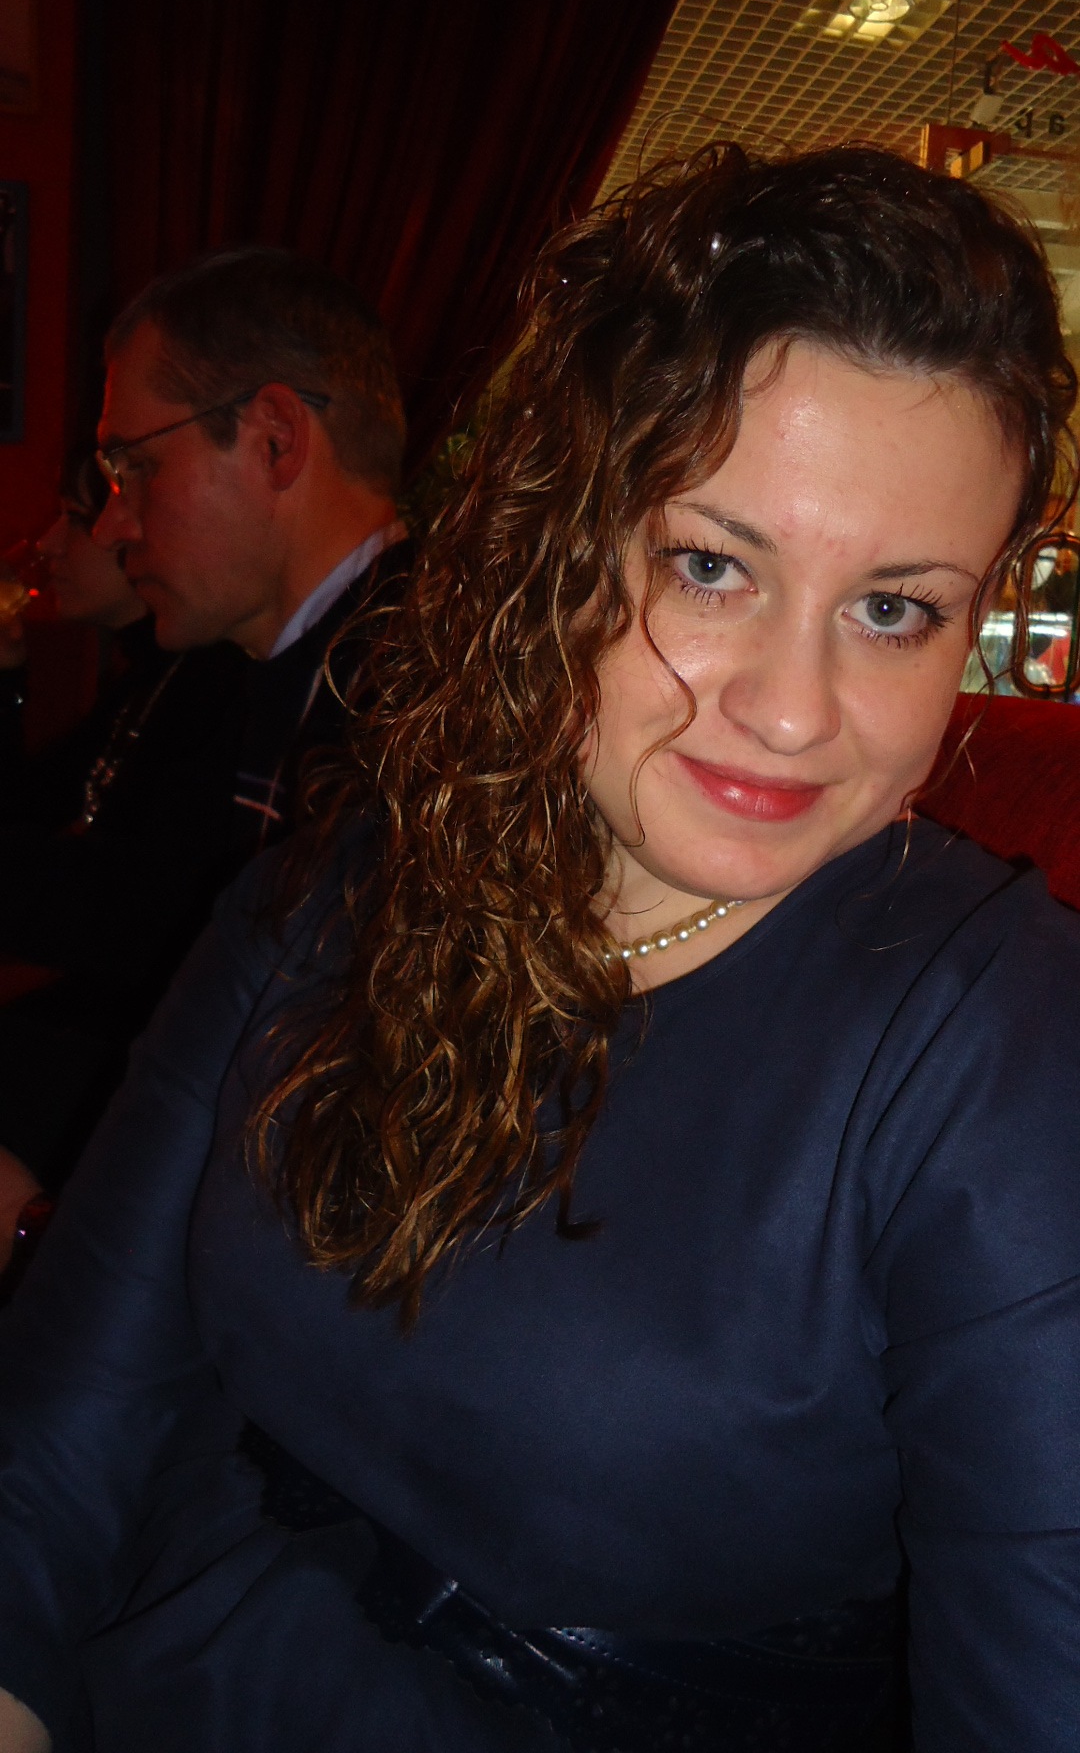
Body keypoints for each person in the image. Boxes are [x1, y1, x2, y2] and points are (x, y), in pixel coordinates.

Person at [1, 143, 1079, 1753]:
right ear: (557, 537)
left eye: (894, 609)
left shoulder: (1000, 1048)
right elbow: (65, 1433)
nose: (793, 711)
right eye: (711, 566)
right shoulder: (338, 885)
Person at [91, 247, 411, 860]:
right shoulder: (294, 674)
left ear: (274, 440)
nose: (110, 529)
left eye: (138, 466)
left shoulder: (415, 724)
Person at [0, 450, 248, 1199]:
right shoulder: (152, 676)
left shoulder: (221, 676)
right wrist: (7, 679)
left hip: (162, 1069)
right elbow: (31, 805)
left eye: (75, 518)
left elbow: (132, 916)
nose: (47, 544)